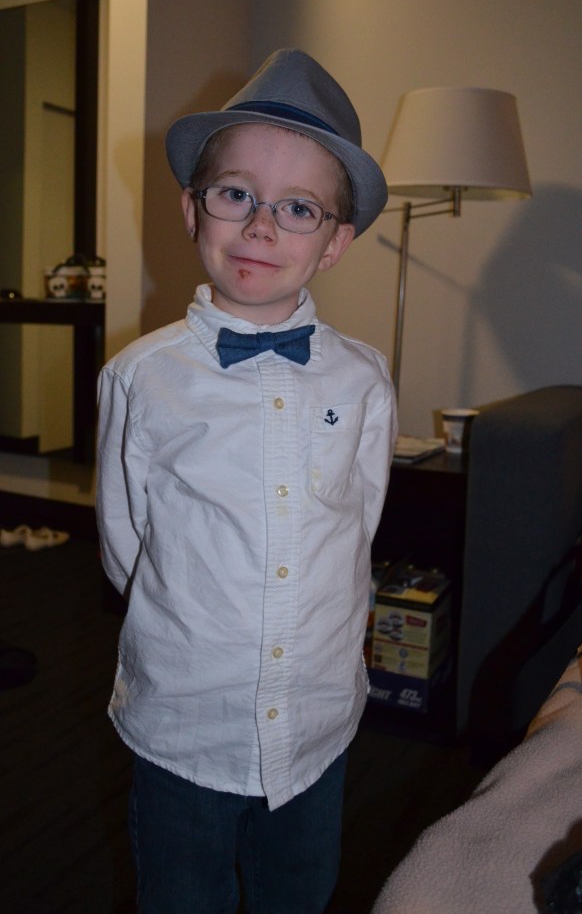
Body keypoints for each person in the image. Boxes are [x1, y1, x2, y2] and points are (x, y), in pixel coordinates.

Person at [96, 48, 398, 914]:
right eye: (236, 195)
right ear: (194, 209)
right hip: (185, 720)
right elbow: (126, 547)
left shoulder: (364, 380)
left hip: (314, 720)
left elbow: (357, 523)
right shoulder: (140, 378)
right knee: (181, 893)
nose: (262, 227)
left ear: (335, 243)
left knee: (298, 890)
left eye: (298, 208)